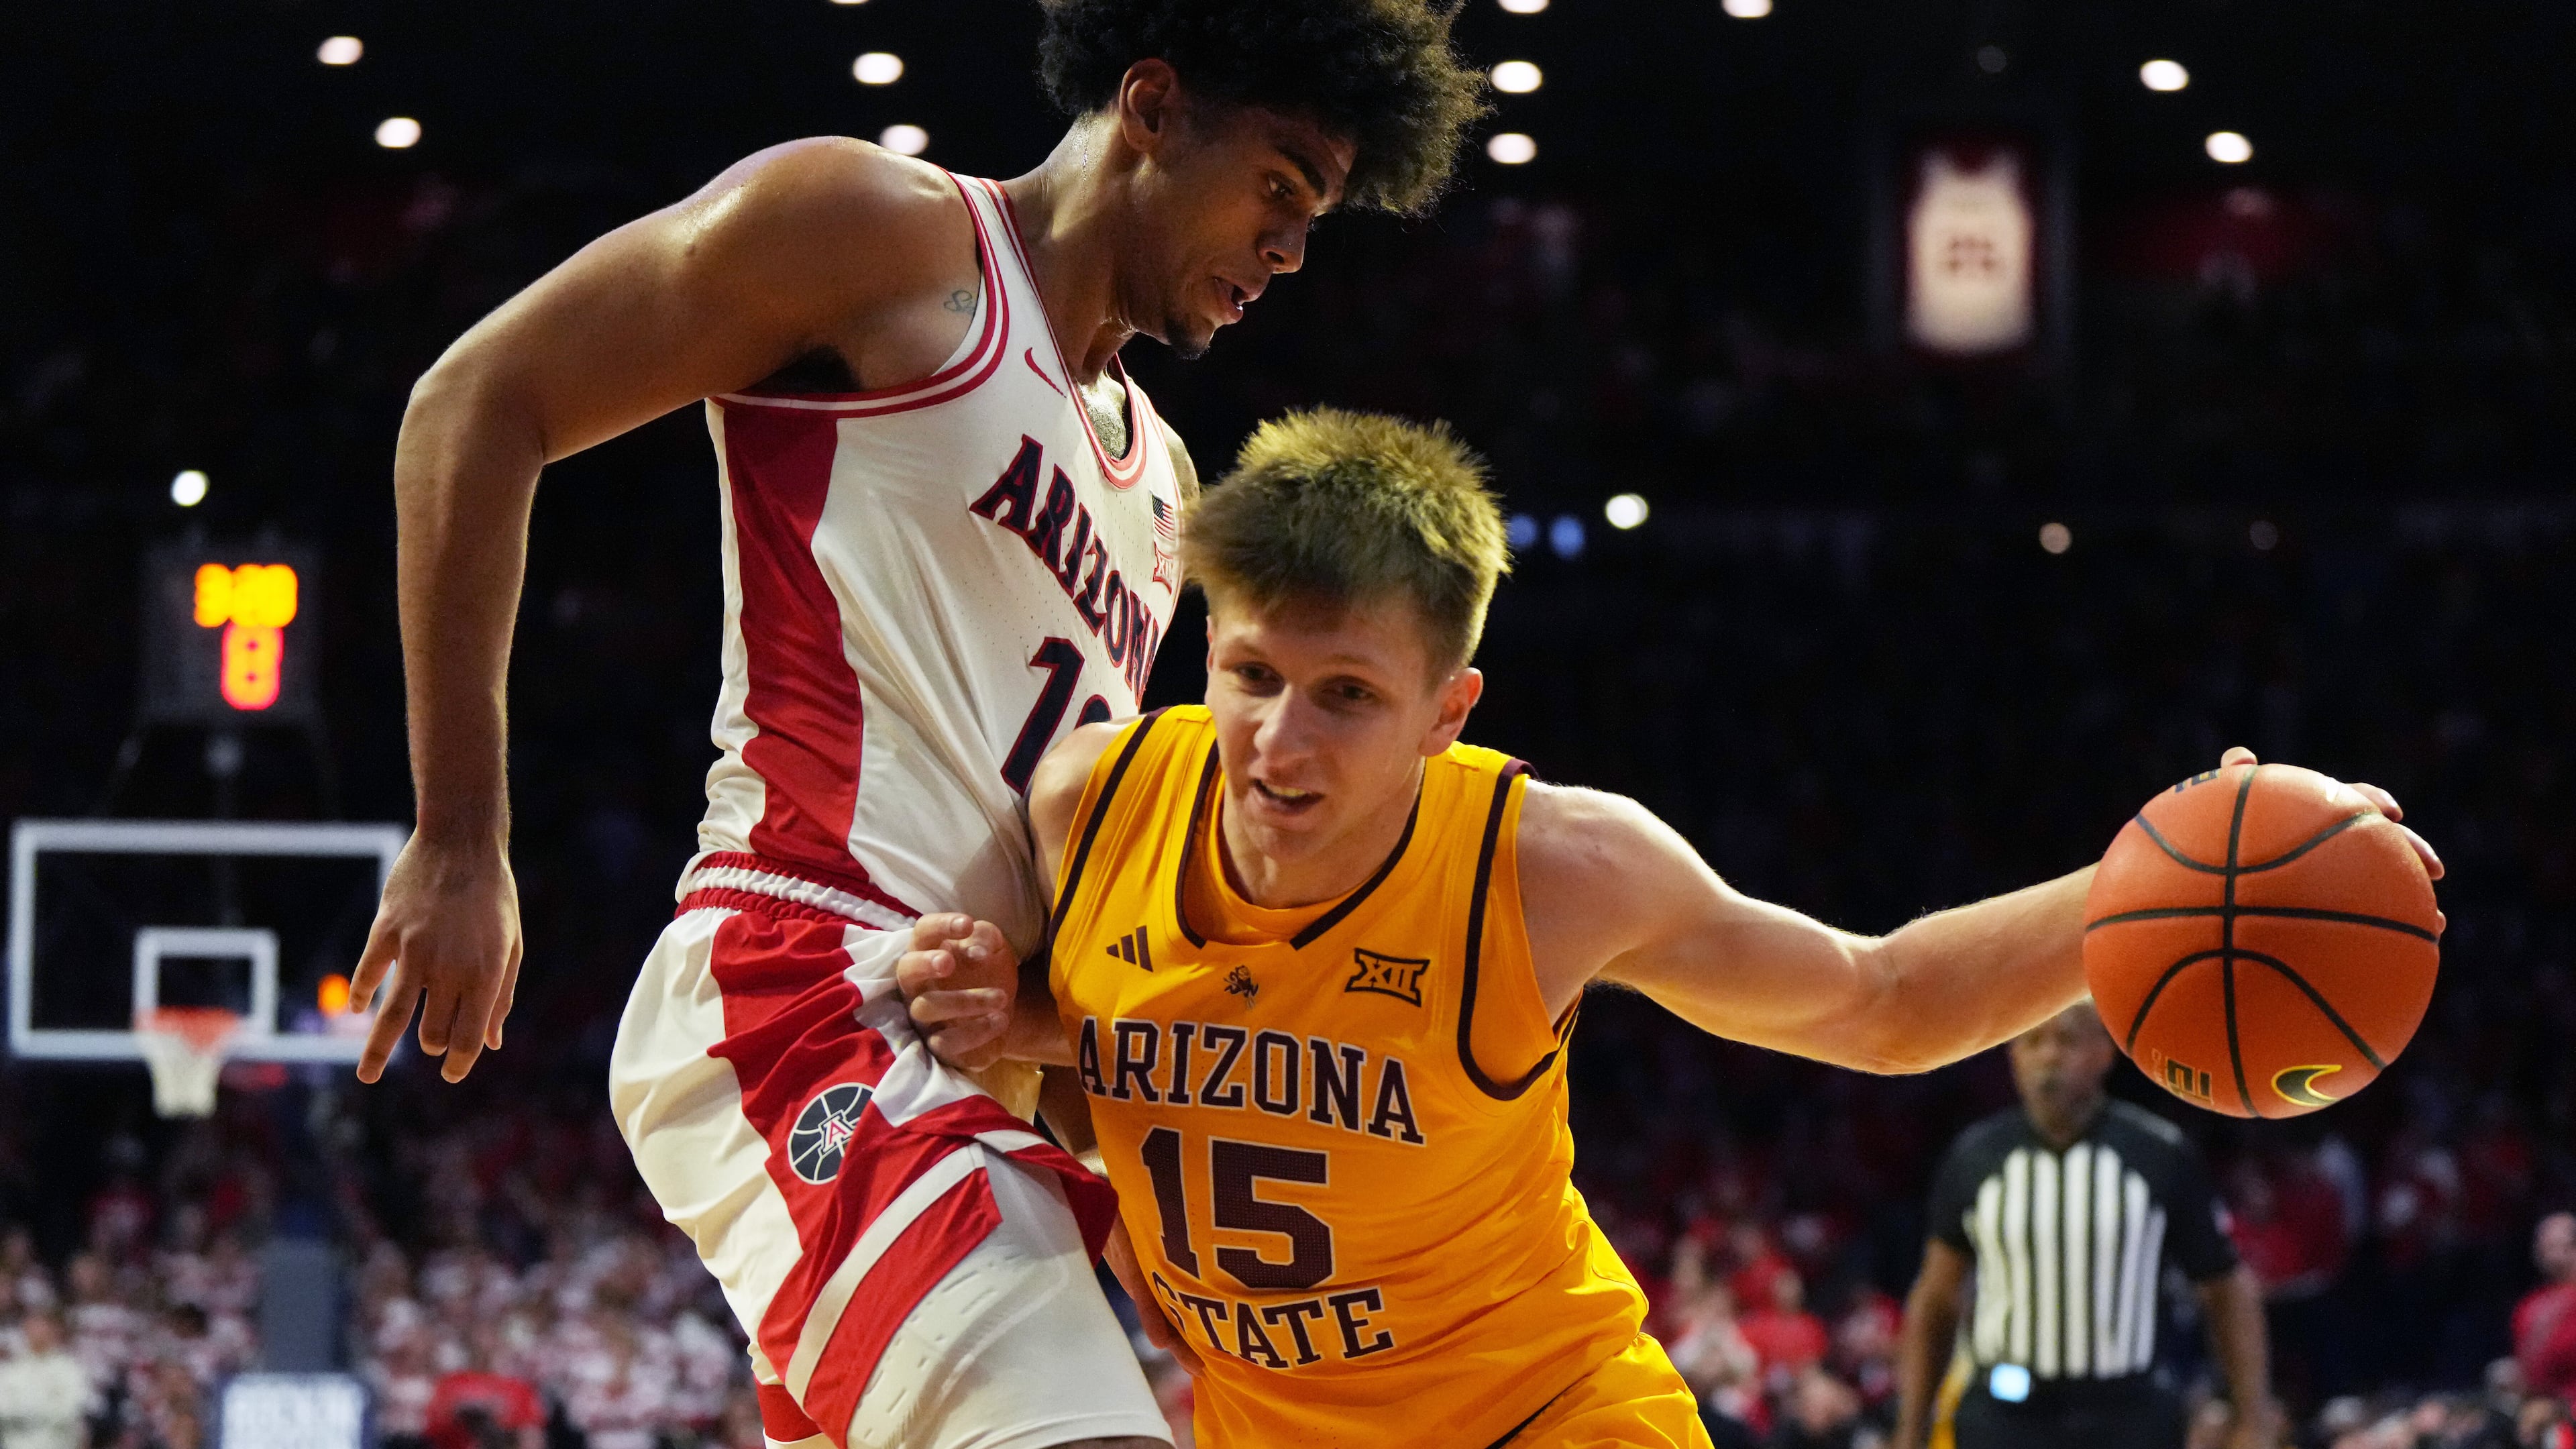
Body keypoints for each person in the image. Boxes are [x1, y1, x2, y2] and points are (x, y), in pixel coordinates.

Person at [345, 5, 1484, 1446]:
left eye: (1313, 215)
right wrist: (459, 833)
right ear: (1150, 105)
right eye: (1278, 183)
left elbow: (1076, 877)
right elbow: (476, 400)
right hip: (806, 974)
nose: (1291, 249)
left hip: (973, 1056)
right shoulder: (877, 230)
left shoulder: (1168, 486)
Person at [894, 409, 2443, 1446]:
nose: (1277, 740)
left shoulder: (1549, 864)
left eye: (1346, 695)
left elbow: (1878, 1001)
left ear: (1448, 712)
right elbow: (1111, 1101)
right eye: (1247, 673)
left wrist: (2147, 879)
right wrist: (1017, 1018)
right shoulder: (1093, 801)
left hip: (1549, 1418)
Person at [1892, 1005, 2277, 1449]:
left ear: (2105, 1052)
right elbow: (1937, 1299)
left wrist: (2253, 1418)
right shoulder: (1975, 1158)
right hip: (2007, 1413)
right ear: (2012, 1055)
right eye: (2033, 1041)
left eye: (2067, 1040)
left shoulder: (2158, 1154)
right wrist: (1912, 1427)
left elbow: (2225, 1289)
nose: (2049, 1057)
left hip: (2128, 1414)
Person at [0, 1311, 91, 1449]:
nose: (37, 1332)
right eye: (32, 1327)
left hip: (57, 1444)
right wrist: (45, 1403)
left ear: (53, 1331)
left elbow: (72, 1409)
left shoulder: (70, 1368)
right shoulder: (11, 1369)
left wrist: (25, 1410)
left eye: (42, 1327)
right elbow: (4, 1409)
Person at [2515, 1212, 2576, 1401]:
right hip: (2545, 1407)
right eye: (2549, 1249)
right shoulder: (2529, 1306)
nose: (2557, 1257)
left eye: (2567, 1247)